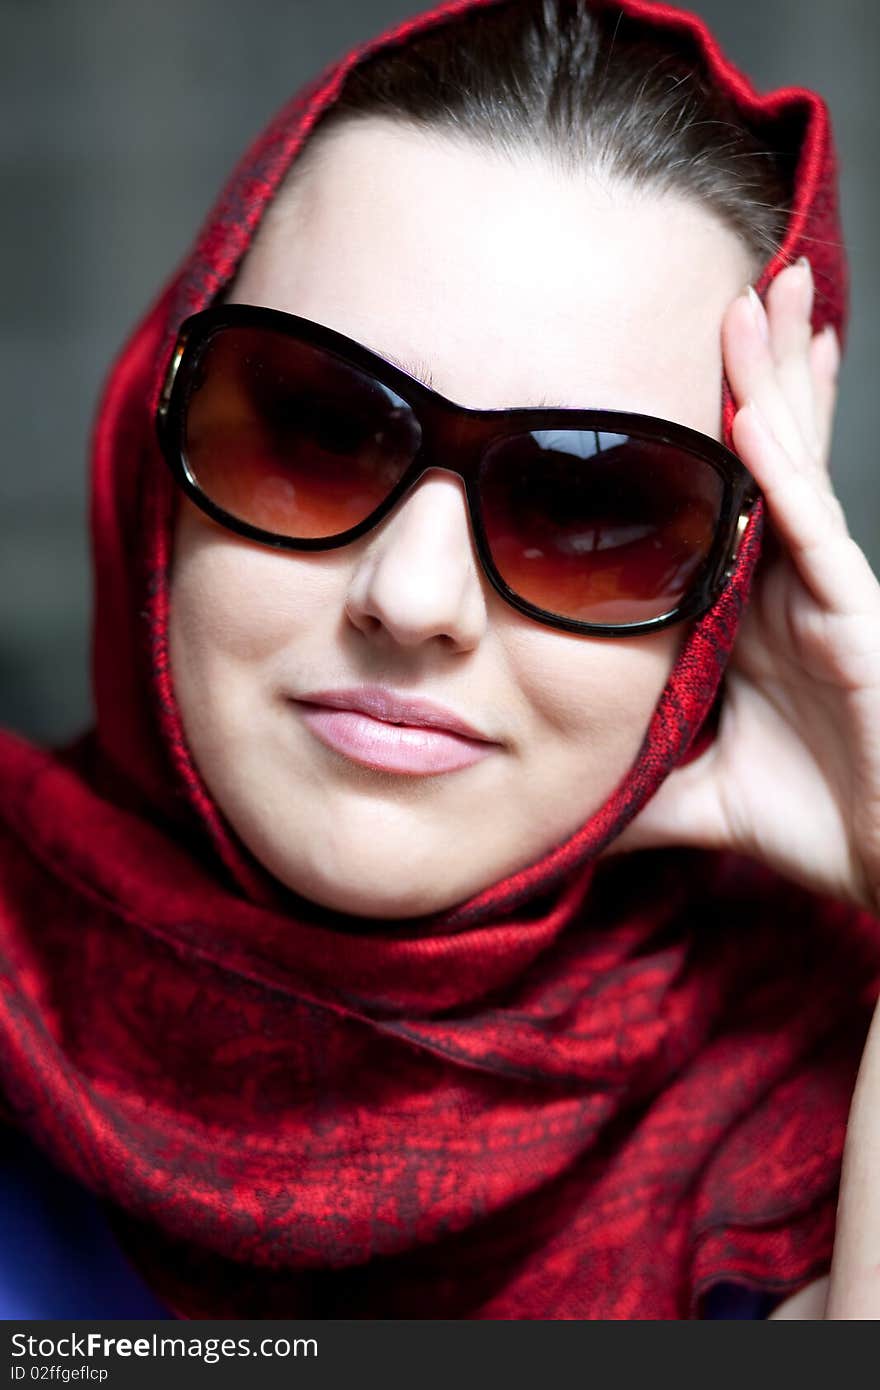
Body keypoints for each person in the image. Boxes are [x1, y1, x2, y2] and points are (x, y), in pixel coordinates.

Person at [1, 0, 878, 1321]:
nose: (413, 598)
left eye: (593, 508)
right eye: (312, 430)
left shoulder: (802, 1117)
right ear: (155, 442)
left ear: (721, 606)